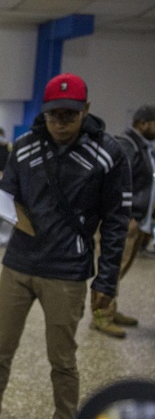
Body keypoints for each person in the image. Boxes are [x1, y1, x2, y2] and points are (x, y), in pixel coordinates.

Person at [0, 73, 131, 419]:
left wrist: (106, 281)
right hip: (17, 266)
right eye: (53, 115)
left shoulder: (108, 154)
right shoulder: (25, 147)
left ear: (85, 110)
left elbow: (116, 222)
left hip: (67, 273)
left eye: (69, 115)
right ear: (43, 112)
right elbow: (6, 199)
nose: (60, 123)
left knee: (62, 360)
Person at [90, 105, 155, 338]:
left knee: (120, 269)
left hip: (138, 221)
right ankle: (101, 317)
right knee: (112, 268)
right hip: (125, 221)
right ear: (143, 123)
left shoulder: (145, 147)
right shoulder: (127, 144)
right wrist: (127, 216)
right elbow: (117, 182)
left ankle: (110, 308)